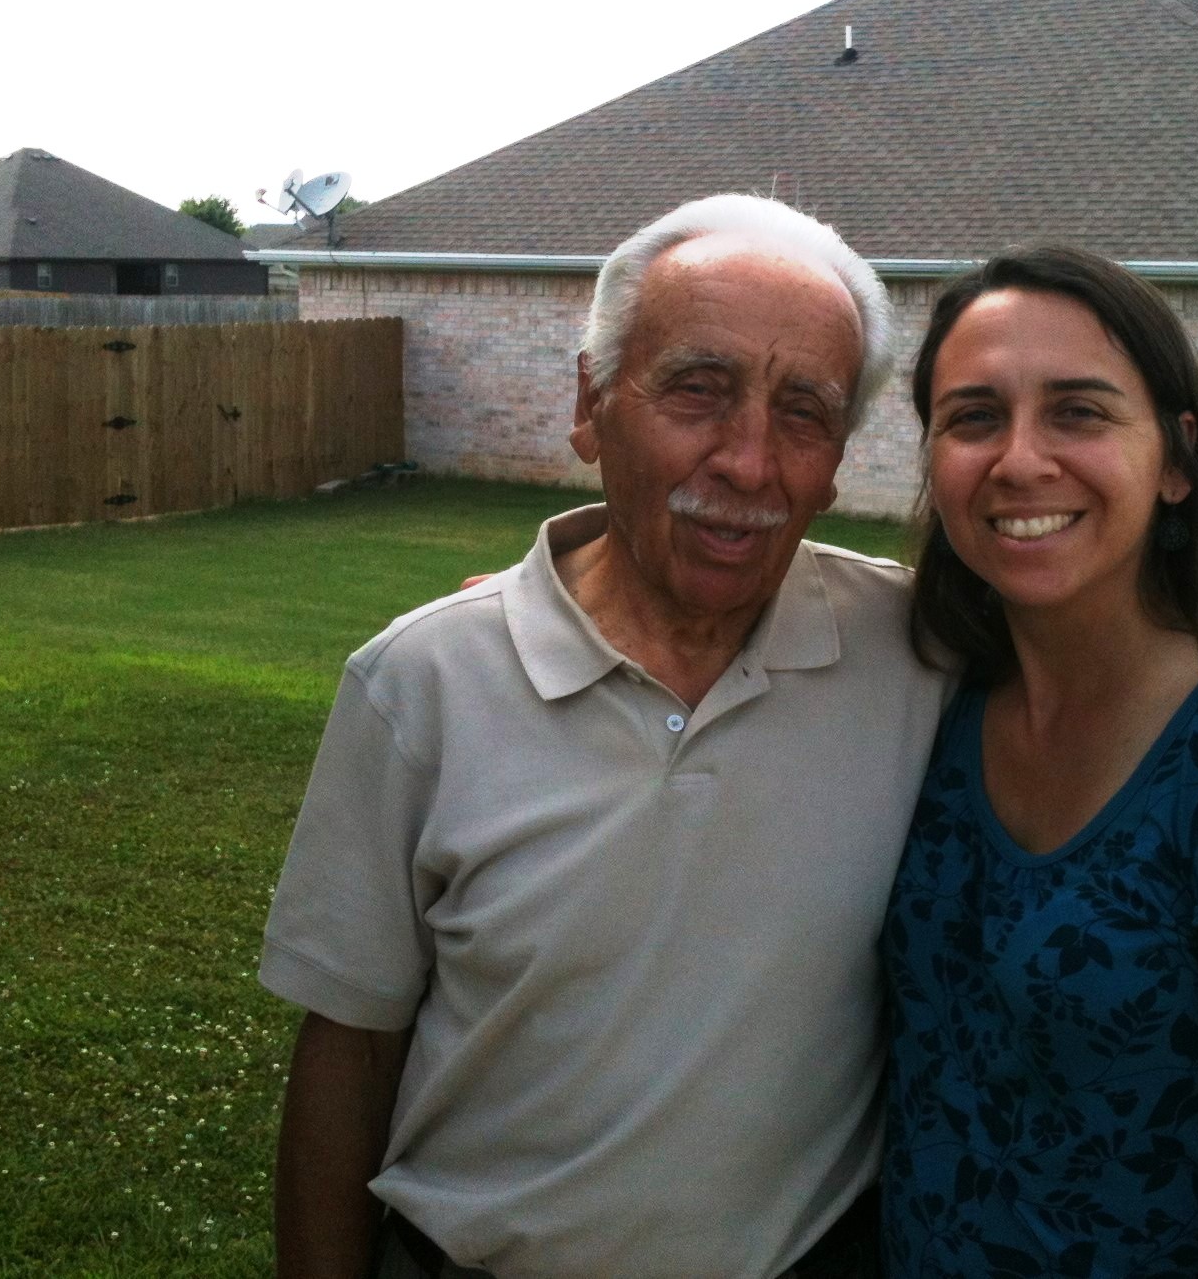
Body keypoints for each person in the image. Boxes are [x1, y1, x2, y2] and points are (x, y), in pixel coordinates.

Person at [258, 194, 951, 1279]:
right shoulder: (421, 683)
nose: (748, 461)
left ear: (836, 461)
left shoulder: (919, 658)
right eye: (698, 388)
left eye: (803, 412)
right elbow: (351, 1046)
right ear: (591, 405)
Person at [881, 248, 1198, 1278]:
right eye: (972, 417)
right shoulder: (930, 697)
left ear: (1175, 461)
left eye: (1078, 411)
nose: (1019, 459)